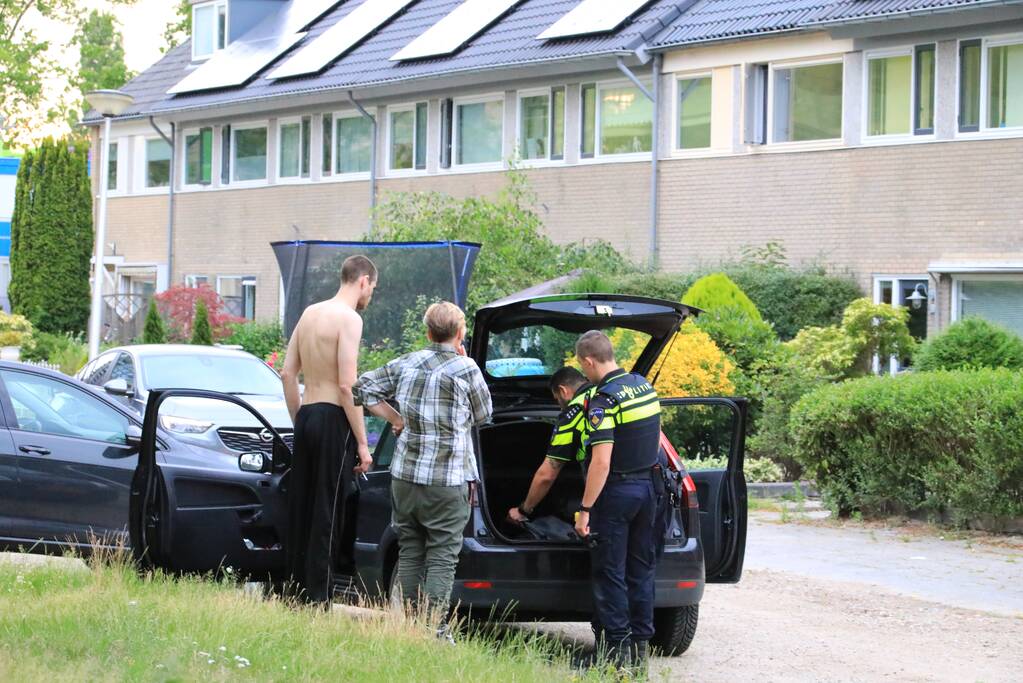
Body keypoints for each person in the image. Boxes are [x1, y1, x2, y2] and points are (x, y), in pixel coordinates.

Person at [354, 302, 492, 638]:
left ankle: (410, 627)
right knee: (442, 555)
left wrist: (396, 418)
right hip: (447, 481)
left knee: (411, 550)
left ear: (428, 333)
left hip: (405, 478)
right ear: (460, 333)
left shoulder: (408, 362)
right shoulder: (466, 369)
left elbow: (361, 388)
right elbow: (484, 414)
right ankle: (434, 630)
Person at [280, 254, 377, 606]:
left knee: (302, 506)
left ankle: (294, 591)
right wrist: (363, 444)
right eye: (372, 288)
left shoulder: (309, 313)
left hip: (307, 415)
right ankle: (318, 598)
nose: (370, 295)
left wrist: (300, 419)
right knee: (328, 509)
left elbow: (287, 373)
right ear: (363, 281)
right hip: (333, 418)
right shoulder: (349, 319)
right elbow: (347, 386)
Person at [572, 330, 662, 675]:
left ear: (588, 361)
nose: (584, 373)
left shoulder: (603, 401)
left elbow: (601, 462)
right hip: (648, 491)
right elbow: (654, 439)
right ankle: (639, 658)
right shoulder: (644, 386)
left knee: (611, 574)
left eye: (583, 367)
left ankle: (615, 657)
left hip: (617, 494)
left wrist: (585, 510)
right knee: (641, 571)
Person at [506, 366, 594, 526]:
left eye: (557, 399)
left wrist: (523, 511)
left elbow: (547, 475)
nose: (560, 406)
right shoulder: (605, 395)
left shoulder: (571, 416)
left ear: (563, 390)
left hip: (602, 493)